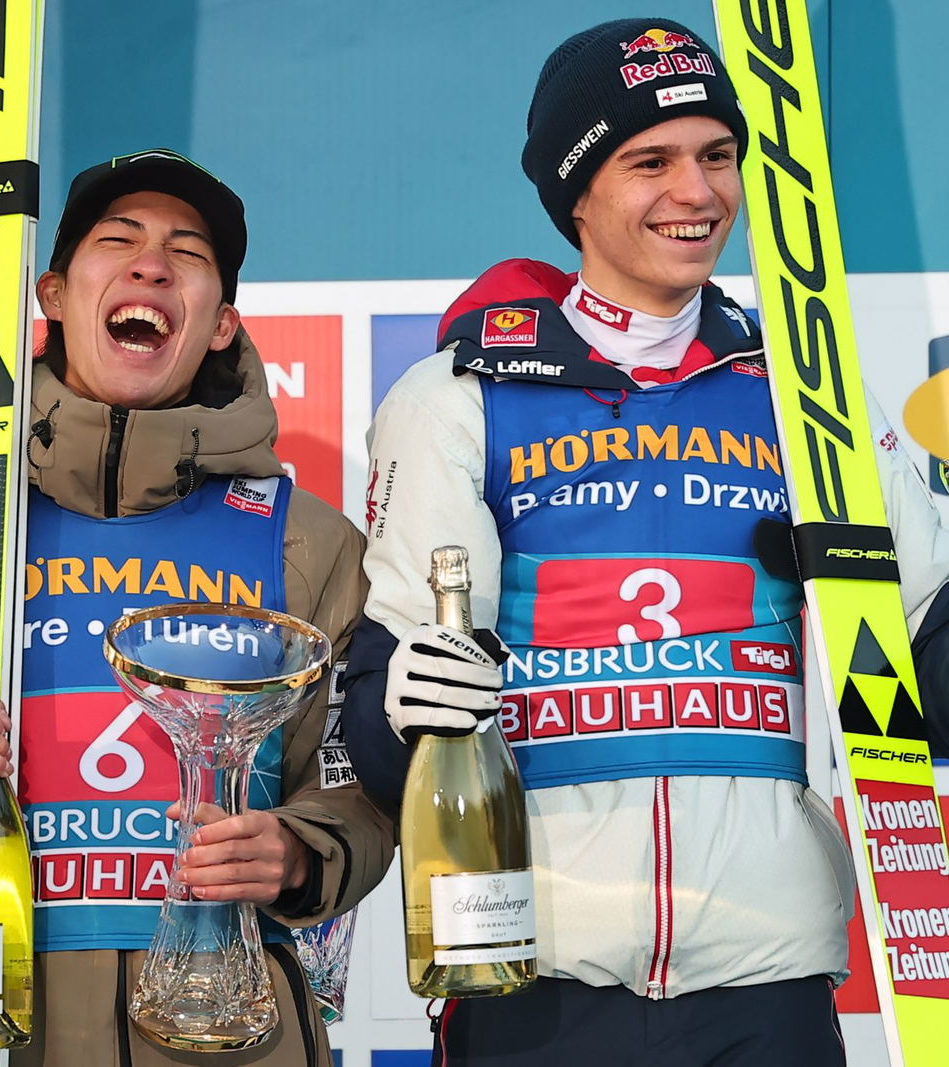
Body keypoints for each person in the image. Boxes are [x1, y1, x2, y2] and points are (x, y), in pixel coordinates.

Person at [343, 19, 949, 1066]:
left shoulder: (807, 394)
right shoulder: (461, 395)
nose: (697, 192)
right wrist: (399, 701)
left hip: (767, 978)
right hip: (537, 972)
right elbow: (388, 706)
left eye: (717, 156)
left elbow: (925, 656)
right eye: (650, 161)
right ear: (576, 192)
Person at [0, 148, 393, 1065]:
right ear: (53, 295)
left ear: (221, 324)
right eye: (118, 241)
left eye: (187, 252)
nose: (150, 265)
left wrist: (300, 851)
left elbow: (358, 789)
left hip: (230, 1032)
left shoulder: (310, 541)